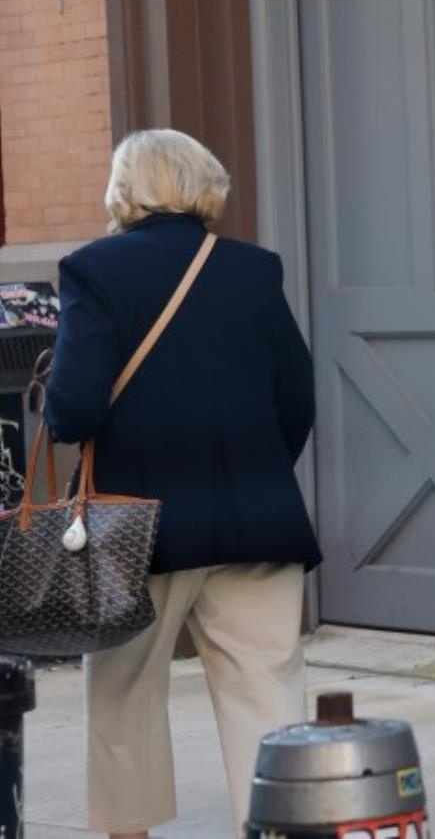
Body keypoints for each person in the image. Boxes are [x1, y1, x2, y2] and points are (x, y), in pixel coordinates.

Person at [40, 128, 321, 839]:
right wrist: (253, 472)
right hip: (257, 513)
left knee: (124, 691)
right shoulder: (256, 269)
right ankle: (283, 827)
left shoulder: (94, 271)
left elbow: (73, 410)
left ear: (126, 189)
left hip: (135, 530)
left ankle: (130, 834)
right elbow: (297, 399)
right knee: (268, 688)